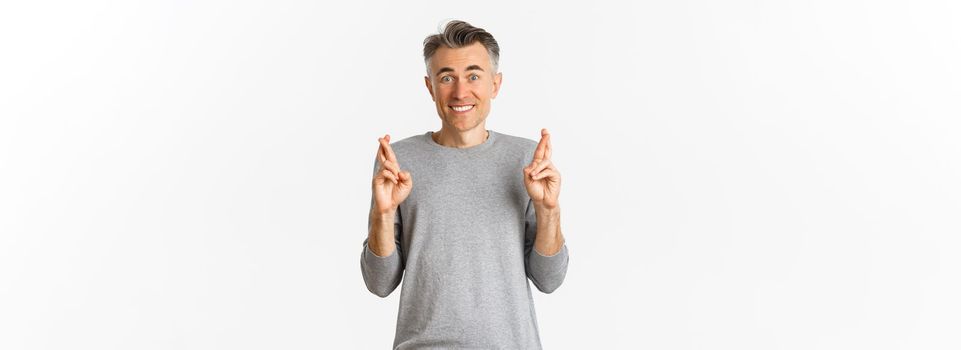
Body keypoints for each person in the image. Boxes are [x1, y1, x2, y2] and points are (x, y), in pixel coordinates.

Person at [360, 20, 569, 349]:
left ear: (495, 85)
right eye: (446, 78)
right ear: (430, 87)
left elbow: (550, 278)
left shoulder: (526, 159)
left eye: (473, 76)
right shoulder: (398, 160)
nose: (460, 92)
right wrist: (382, 215)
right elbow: (379, 282)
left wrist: (548, 210)